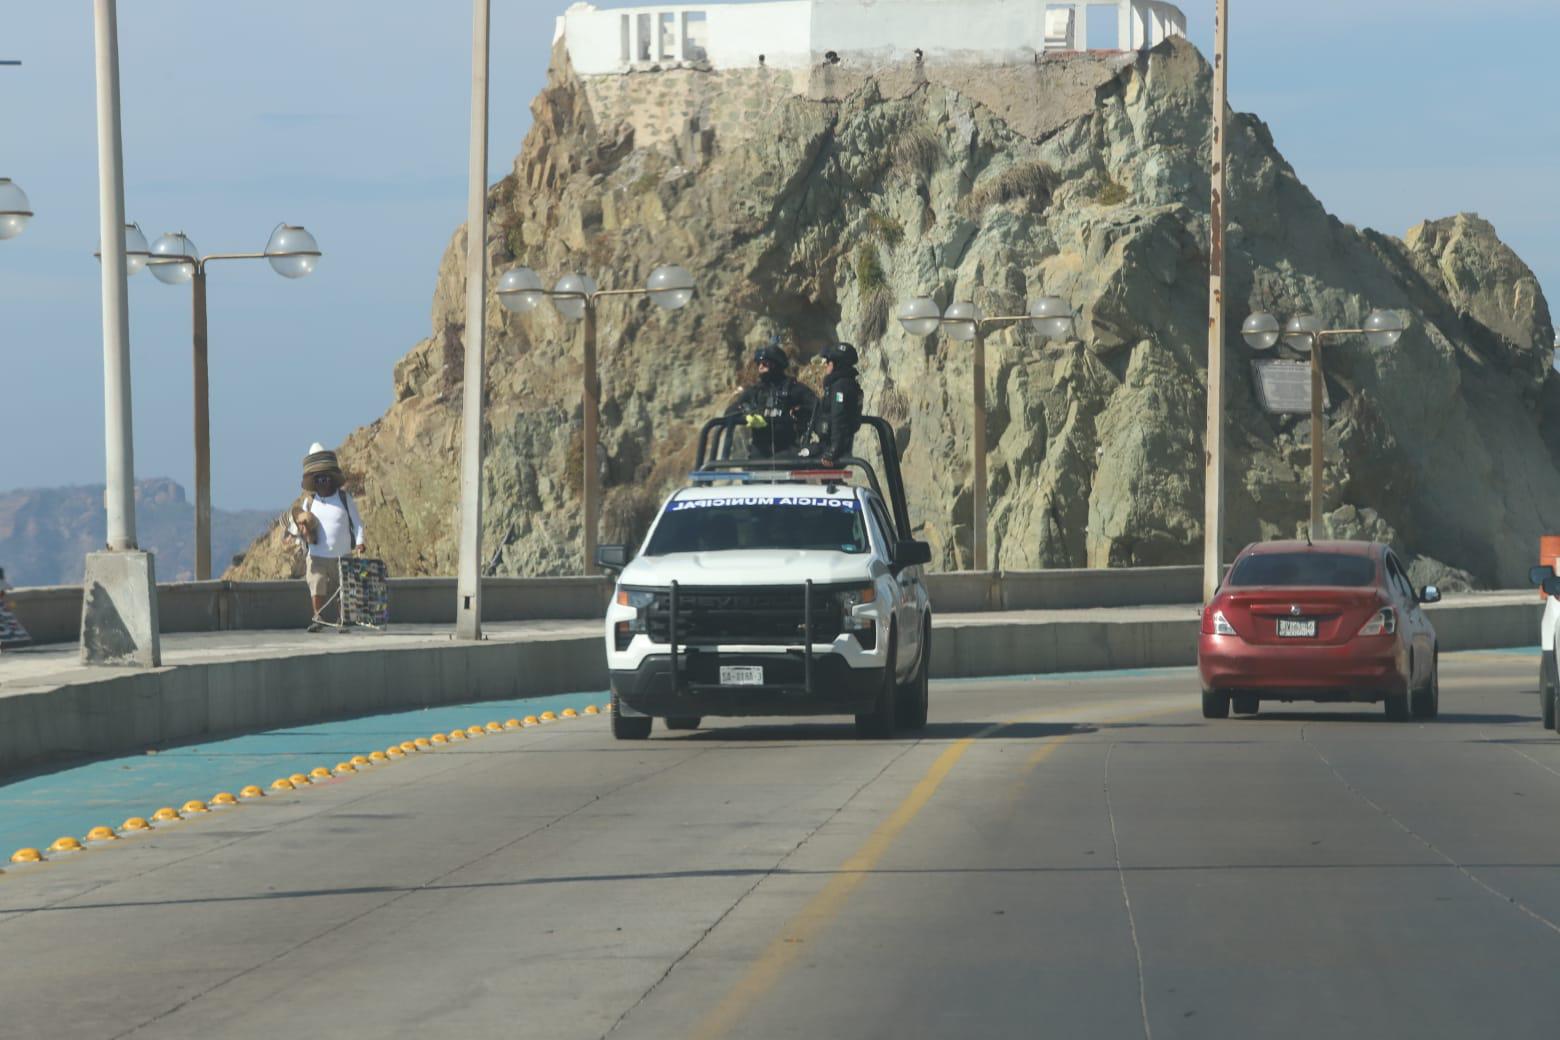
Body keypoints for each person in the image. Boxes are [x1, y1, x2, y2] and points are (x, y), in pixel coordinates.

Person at [286, 442, 366, 632]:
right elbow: (297, 525)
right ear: (314, 482)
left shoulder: (344, 499)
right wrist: (297, 534)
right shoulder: (309, 503)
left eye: (326, 478)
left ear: (331, 479)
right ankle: (318, 617)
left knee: (343, 589)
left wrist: (360, 542)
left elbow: (357, 523)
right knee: (317, 584)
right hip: (317, 555)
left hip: (343, 555)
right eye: (319, 479)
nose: (323, 482)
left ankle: (343, 619)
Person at [726, 341, 817, 458]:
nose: (760, 367)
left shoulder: (794, 389)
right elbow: (730, 412)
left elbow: (816, 407)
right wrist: (747, 415)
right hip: (760, 449)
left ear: (776, 364)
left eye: (765, 363)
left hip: (787, 449)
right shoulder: (755, 391)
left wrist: (799, 413)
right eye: (759, 363)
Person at [805, 342, 864, 466]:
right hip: (831, 445)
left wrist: (833, 451)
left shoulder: (840, 387)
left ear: (837, 364)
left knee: (793, 460)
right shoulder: (844, 384)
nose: (825, 365)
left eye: (828, 362)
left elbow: (839, 418)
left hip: (832, 449)